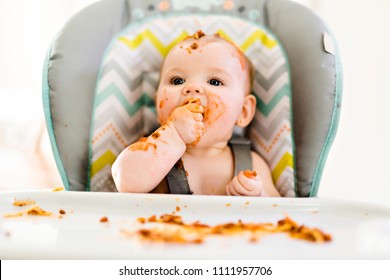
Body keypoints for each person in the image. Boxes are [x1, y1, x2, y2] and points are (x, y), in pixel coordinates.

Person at [112, 31, 280, 197]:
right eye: (177, 80)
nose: (192, 87)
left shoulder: (251, 165)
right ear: (157, 104)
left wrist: (259, 196)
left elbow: (280, 210)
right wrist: (173, 134)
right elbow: (125, 181)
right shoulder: (152, 153)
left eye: (215, 81)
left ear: (243, 112)